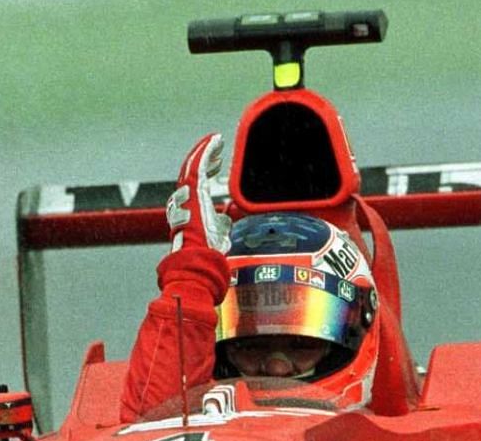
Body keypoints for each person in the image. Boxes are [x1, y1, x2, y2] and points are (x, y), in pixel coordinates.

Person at [120, 133, 380, 422]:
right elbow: (150, 429)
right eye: (251, 346)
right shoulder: (185, 421)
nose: (277, 369)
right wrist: (190, 282)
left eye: (302, 344)